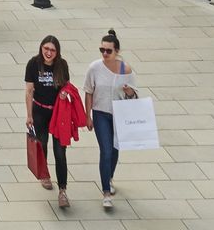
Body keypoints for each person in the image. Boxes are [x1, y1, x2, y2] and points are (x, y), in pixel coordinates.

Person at [84, 29, 137, 210]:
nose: (105, 54)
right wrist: (87, 115)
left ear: (117, 52)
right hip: (100, 114)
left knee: (114, 151)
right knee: (105, 151)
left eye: (108, 51)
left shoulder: (125, 69)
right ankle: (106, 192)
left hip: (119, 115)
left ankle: (109, 176)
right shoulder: (94, 68)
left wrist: (129, 92)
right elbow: (89, 91)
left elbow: (134, 96)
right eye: (102, 50)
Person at [24, 35, 74, 209]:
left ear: (57, 52)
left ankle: (62, 191)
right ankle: (44, 174)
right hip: (39, 111)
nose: (49, 53)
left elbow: (67, 86)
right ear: (41, 48)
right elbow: (29, 91)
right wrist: (29, 115)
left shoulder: (62, 65)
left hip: (58, 114)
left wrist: (64, 93)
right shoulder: (33, 64)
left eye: (52, 50)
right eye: (46, 48)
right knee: (42, 144)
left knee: (60, 153)